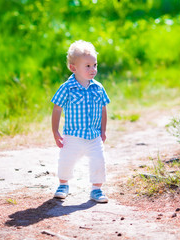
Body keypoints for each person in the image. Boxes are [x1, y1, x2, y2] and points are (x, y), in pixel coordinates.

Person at [51, 40, 110, 203]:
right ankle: (63, 184)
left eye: (95, 65)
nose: (93, 70)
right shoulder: (67, 88)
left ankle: (97, 189)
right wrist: (55, 132)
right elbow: (57, 109)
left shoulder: (98, 88)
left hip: (94, 136)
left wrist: (103, 130)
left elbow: (104, 109)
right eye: (88, 66)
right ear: (73, 68)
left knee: (99, 161)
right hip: (72, 135)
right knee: (66, 160)